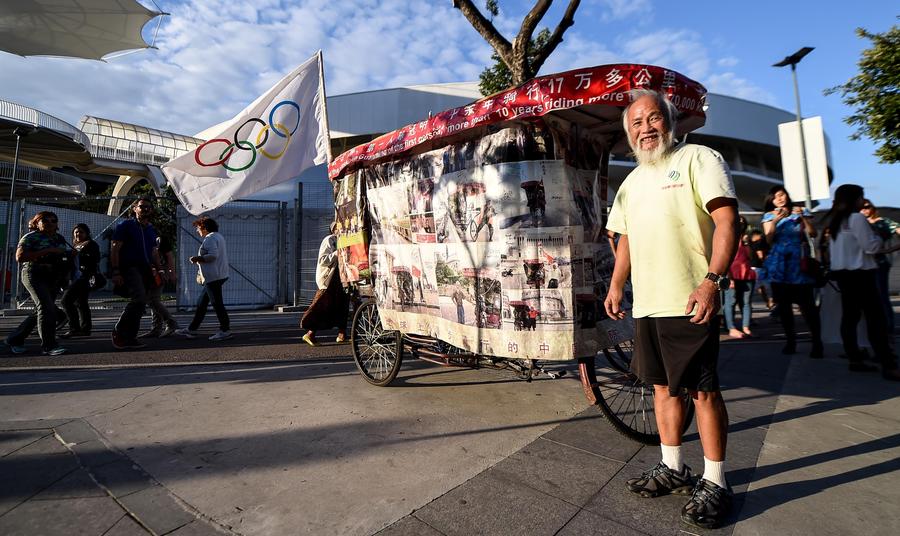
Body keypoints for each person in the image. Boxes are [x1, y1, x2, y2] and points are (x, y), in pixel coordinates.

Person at [604, 88, 739, 530]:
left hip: (690, 299)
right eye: (636, 123)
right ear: (629, 134)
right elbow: (623, 239)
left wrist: (711, 281)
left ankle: (717, 481)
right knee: (661, 389)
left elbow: (726, 221)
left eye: (652, 118)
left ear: (670, 121)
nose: (646, 128)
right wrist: (617, 284)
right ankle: (673, 466)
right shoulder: (631, 181)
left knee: (702, 391)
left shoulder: (700, 159)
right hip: (648, 304)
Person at [826, 185, 900, 381]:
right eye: (861, 197)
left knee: (850, 319)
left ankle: (855, 358)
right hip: (862, 275)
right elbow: (871, 246)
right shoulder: (857, 218)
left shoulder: (835, 221)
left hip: (843, 275)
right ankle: (888, 364)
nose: (863, 201)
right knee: (876, 320)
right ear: (854, 199)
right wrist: (880, 238)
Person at [760, 186, 824, 358]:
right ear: (771, 200)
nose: (780, 198)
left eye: (782, 195)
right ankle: (791, 341)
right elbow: (769, 239)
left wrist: (803, 217)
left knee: (808, 306)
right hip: (779, 264)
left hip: (799, 262)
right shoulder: (768, 216)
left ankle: (817, 342)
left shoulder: (800, 211)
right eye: (775, 197)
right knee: (784, 307)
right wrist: (774, 222)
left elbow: (812, 233)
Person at [4, 211, 71, 356]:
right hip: (34, 274)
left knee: (42, 309)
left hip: (53, 276)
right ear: (37, 222)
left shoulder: (59, 238)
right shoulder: (31, 237)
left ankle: (15, 339)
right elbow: (20, 257)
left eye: (54, 220)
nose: (50, 223)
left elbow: (63, 255)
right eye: (45, 220)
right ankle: (49, 345)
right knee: (46, 307)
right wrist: (48, 250)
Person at [109, 198, 163, 350]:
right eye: (141, 207)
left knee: (142, 301)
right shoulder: (126, 225)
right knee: (138, 299)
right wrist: (116, 270)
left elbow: (154, 252)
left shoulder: (151, 229)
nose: (145, 209)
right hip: (130, 267)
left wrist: (160, 270)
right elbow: (115, 248)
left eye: (148, 207)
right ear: (134, 209)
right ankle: (119, 332)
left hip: (145, 268)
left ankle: (130, 337)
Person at [175, 217, 232, 341]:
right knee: (202, 303)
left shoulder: (210, 238)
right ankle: (192, 329)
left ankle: (225, 330)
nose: (197, 230)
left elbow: (213, 256)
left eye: (198, 228)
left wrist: (197, 258)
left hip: (213, 276)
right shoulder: (218, 236)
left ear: (204, 227)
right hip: (219, 275)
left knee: (217, 304)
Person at [301, 223, 349, 345]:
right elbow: (323, 260)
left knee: (343, 304)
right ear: (334, 229)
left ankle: (342, 334)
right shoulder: (329, 240)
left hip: (341, 278)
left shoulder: (346, 239)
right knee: (322, 306)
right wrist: (338, 252)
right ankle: (310, 334)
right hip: (329, 278)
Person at [861, 199, 899, 334]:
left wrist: (889, 250)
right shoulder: (858, 222)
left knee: (881, 295)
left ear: (872, 208)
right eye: (861, 207)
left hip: (879, 263)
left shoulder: (883, 221)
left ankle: (888, 328)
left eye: (867, 207)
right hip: (861, 263)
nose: (864, 210)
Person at [60, 223, 100, 338]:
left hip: (84, 278)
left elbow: (95, 259)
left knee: (66, 301)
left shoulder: (91, 244)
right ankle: (85, 329)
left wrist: (80, 254)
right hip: (75, 278)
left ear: (87, 233)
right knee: (81, 303)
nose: (78, 234)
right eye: (76, 232)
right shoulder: (74, 245)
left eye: (81, 232)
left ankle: (74, 328)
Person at [140, 235, 179, 338]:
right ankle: (156, 328)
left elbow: (169, 257)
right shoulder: (145, 236)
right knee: (153, 300)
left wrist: (171, 273)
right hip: (151, 273)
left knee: (152, 300)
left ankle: (170, 322)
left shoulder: (157, 238)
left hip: (158, 273)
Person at [723, 217, 756, 338]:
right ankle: (731, 328)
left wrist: (749, 244)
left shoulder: (747, 239)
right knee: (730, 302)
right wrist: (729, 277)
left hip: (747, 274)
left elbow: (752, 258)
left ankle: (746, 327)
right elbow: (724, 258)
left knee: (746, 303)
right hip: (731, 274)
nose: (741, 224)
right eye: (738, 221)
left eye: (743, 222)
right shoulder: (727, 237)